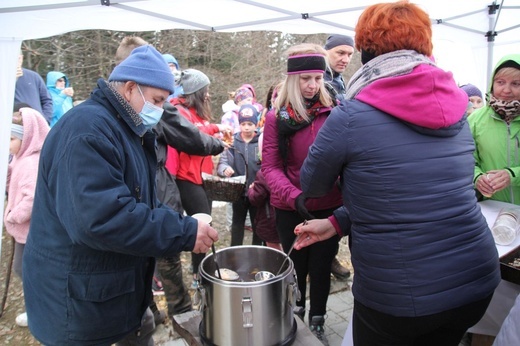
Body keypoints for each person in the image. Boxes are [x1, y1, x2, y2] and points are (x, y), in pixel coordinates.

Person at [295, 2, 500, 345]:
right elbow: (417, 196)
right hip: (475, 281)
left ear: (368, 51)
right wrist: (336, 222)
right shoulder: (458, 109)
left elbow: (312, 185)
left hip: (401, 297)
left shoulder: (352, 116)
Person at [22, 45, 219, 346]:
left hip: (110, 292)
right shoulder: (87, 131)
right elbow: (101, 218)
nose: (158, 110)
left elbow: (140, 203)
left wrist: (179, 222)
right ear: (129, 89)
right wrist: (182, 232)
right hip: (77, 306)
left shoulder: (128, 129)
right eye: (155, 101)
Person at [261, 42, 343, 345]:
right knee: (296, 266)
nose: (312, 85)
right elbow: (270, 167)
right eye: (306, 78)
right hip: (290, 205)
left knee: (322, 267)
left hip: (329, 205)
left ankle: (318, 319)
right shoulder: (277, 117)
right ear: (293, 79)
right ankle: (295, 315)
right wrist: (294, 196)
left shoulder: (334, 111)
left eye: (318, 78)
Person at [170, 68, 232, 287]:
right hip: (186, 179)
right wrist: (214, 132)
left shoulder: (195, 112)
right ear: (196, 91)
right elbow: (193, 135)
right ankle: (199, 275)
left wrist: (217, 128)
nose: (208, 95)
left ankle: (199, 267)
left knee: (206, 222)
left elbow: (202, 128)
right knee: (203, 224)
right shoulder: (178, 111)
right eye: (205, 91)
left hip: (202, 177)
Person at [5, 104, 50, 328]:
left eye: (11, 138)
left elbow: (31, 198)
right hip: (23, 232)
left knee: (28, 272)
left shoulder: (31, 162)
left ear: (27, 137)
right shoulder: (18, 158)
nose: (7, 143)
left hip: (29, 231)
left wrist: (14, 216)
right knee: (24, 270)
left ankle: (40, 311)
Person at [469, 54, 520, 202]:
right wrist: (477, 177)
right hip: (492, 208)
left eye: (516, 84)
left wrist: (513, 175)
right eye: (500, 82)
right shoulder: (476, 120)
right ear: (492, 83)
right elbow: (465, 159)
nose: (506, 90)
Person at [217, 104, 262, 246]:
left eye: (250, 124)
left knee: (258, 226)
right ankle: (234, 252)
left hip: (257, 192)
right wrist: (225, 169)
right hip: (238, 192)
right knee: (237, 224)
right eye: (243, 124)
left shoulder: (261, 141)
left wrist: (262, 182)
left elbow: (268, 165)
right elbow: (222, 162)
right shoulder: (232, 141)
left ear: (256, 124)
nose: (247, 127)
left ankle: (257, 252)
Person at [248, 132, 282, 250]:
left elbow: (256, 198)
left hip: (270, 219)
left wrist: (251, 189)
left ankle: (282, 266)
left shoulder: (264, 173)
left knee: (273, 246)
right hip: (287, 217)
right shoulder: (288, 168)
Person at [14, 53, 53, 123]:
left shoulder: (34, 76)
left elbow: (47, 100)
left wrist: (45, 119)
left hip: (36, 123)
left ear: (22, 58)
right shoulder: (3, 77)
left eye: (18, 58)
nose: (16, 61)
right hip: (12, 125)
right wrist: (11, 80)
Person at [324, 34, 355, 103]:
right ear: (326, 52)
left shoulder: (338, 78)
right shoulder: (316, 79)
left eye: (349, 55)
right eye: (341, 53)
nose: (346, 60)